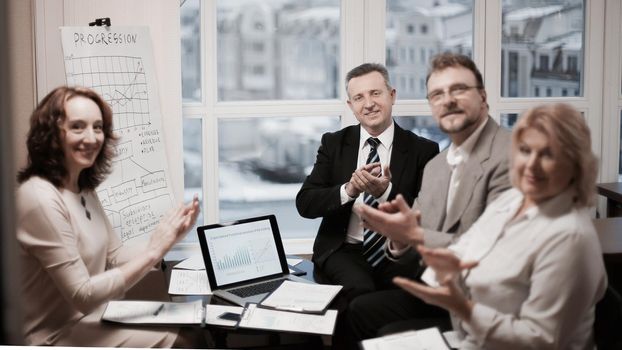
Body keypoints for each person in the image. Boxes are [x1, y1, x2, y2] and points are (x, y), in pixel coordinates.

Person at [389, 103, 607, 349]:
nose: (531, 165)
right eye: (525, 150)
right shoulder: (514, 198)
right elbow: (466, 248)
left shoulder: (569, 236)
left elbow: (540, 340)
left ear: (576, 164)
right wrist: (424, 245)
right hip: (472, 335)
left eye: (547, 154)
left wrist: (463, 306)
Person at [16, 86, 201, 347]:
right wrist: (153, 252)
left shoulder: (83, 188)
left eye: (98, 127)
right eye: (77, 127)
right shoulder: (39, 197)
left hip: (87, 321)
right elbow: (83, 295)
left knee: (195, 329)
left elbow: (114, 257)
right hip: (52, 338)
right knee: (183, 343)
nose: (91, 138)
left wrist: (166, 239)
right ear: (51, 134)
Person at [348, 53, 512, 339]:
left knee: (390, 331)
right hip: (443, 290)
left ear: (483, 96)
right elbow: (415, 241)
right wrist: (398, 240)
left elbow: (497, 250)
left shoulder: (514, 156)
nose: (447, 100)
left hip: (492, 302)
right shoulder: (437, 166)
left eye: (459, 89)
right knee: (359, 310)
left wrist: (415, 235)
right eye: (437, 94)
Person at [296, 63, 439, 299]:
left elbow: (429, 216)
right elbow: (306, 204)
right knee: (360, 292)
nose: (369, 104)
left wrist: (386, 193)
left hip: (398, 251)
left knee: (401, 297)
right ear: (351, 106)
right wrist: (349, 190)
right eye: (359, 97)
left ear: (392, 96)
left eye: (375, 93)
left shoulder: (423, 150)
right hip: (344, 249)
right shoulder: (334, 143)